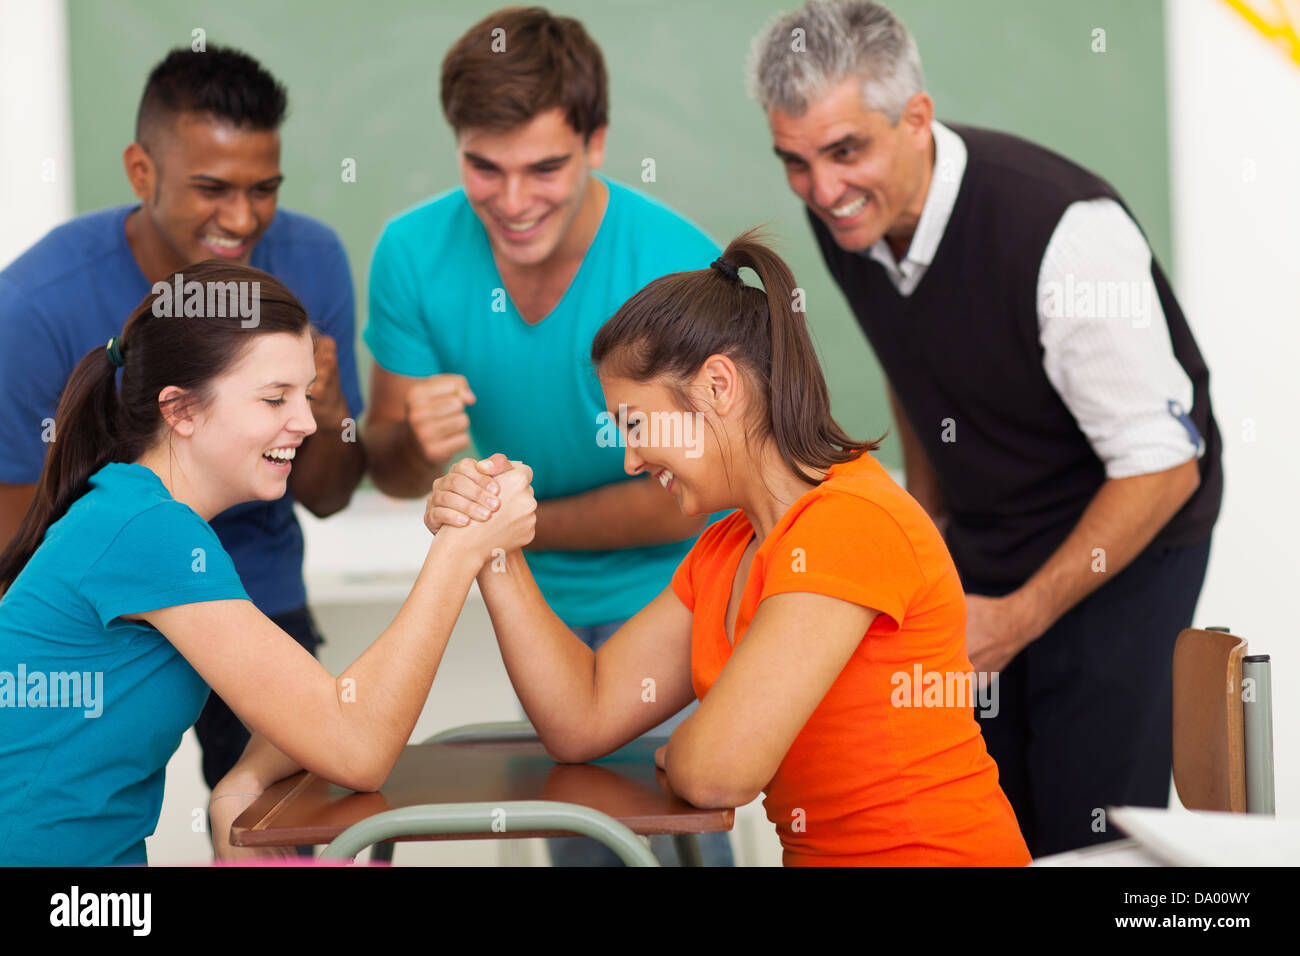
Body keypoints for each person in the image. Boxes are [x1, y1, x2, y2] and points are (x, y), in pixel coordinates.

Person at [747, 0, 1223, 856]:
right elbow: (913, 360)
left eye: (844, 151)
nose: (821, 190)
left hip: (1130, 537)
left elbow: (1163, 465)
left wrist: (1018, 616)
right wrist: (927, 527)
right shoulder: (850, 215)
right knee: (985, 810)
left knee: (1088, 825)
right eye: (796, 161)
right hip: (992, 527)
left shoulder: (1066, 234)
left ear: (916, 118)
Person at [426, 230, 1032, 866]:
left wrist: (689, 743)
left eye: (635, 424)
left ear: (718, 384)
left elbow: (718, 774)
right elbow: (583, 716)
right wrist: (491, 545)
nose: (630, 459)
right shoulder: (728, 545)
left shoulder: (848, 522)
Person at [0, 262, 535, 866]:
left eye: (306, 395)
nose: (307, 423)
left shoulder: (140, 512)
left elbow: (306, 701)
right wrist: (459, 550)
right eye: (275, 398)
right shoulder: (148, 531)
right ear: (180, 411)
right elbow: (354, 743)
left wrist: (242, 780)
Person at [364, 6, 731, 867]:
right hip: (530, 606)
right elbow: (382, 468)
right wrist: (416, 446)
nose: (514, 202)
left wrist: (507, 528)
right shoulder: (411, 254)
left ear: (597, 143)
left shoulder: (674, 266)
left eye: (545, 167)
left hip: (671, 595)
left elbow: (688, 503)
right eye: (484, 169)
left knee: (672, 837)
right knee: (583, 840)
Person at [0, 46, 366, 812]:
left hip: (260, 596)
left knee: (284, 824)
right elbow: (21, 540)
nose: (241, 218)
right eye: (212, 188)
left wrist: (327, 410)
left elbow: (330, 494)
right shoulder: (33, 306)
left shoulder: (314, 259)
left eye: (263, 189)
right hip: (109, 608)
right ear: (141, 172)